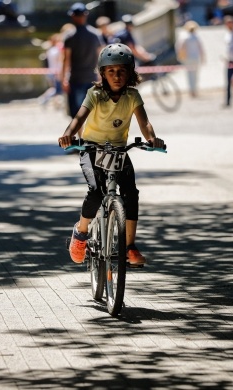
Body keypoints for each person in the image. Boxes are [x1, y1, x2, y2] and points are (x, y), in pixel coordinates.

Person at [58, 43, 165, 265]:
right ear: (103, 74)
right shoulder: (95, 94)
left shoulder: (133, 96)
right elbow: (79, 118)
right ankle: (81, 232)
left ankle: (129, 246)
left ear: (130, 73)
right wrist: (68, 134)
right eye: (111, 71)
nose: (116, 76)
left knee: (131, 194)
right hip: (91, 149)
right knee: (96, 191)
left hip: (118, 150)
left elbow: (145, 123)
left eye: (122, 71)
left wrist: (152, 139)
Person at [62, 2, 104, 120]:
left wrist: (63, 79)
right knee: (91, 113)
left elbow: (66, 60)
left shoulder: (70, 36)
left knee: (77, 114)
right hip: (92, 78)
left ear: (72, 16)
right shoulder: (95, 35)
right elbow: (102, 57)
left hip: (75, 79)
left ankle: (81, 138)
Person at [175, 20, 205, 98]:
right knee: (195, 75)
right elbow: (201, 49)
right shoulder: (196, 37)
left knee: (190, 75)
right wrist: (203, 58)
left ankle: (191, 91)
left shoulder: (184, 36)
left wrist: (180, 56)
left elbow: (180, 47)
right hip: (195, 58)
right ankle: (194, 90)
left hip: (188, 58)